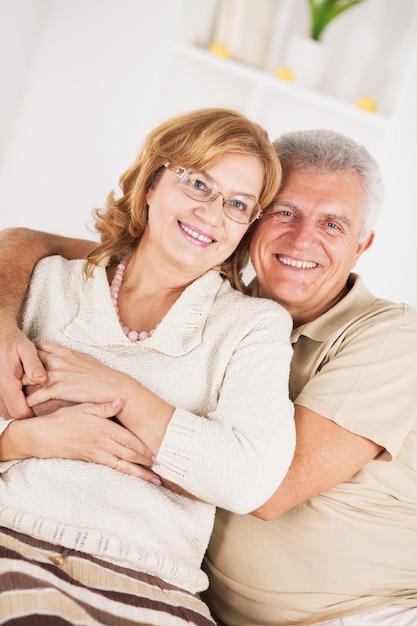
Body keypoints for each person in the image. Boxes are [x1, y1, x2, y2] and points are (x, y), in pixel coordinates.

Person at [2, 128, 417, 626]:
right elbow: (75, 249)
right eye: (284, 212)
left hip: (357, 615)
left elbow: (263, 487)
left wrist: (115, 391)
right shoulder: (221, 308)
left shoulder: (391, 340)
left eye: (333, 224)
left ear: (362, 244)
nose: (302, 238)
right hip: (202, 602)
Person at [0, 107, 296, 626]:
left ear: (247, 227)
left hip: (149, 580)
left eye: (237, 203)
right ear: (154, 180)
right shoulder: (45, 283)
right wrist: (25, 440)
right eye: (199, 183)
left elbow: (248, 478)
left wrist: (123, 392)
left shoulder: (251, 327)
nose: (211, 212)